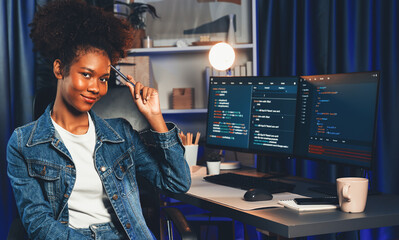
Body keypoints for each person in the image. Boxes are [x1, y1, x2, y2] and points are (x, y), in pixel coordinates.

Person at [6, 0, 191, 239]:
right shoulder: (23, 143)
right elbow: (38, 223)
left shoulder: (120, 134)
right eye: (86, 74)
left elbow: (176, 184)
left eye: (103, 79)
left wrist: (156, 118)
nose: (96, 88)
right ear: (59, 69)